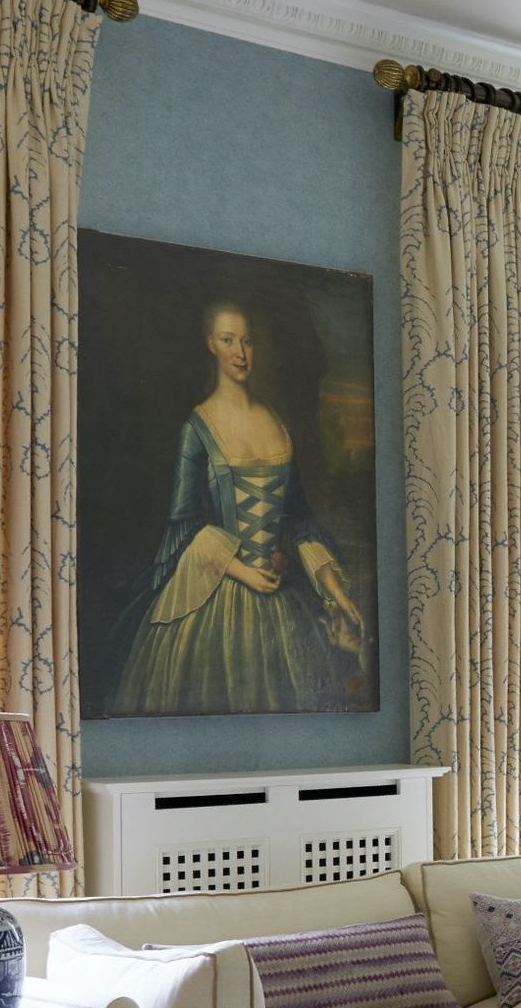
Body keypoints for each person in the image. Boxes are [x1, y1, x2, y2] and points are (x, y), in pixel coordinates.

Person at [110, 301, 366, 716]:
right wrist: (243, 570)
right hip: (217, 590)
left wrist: (338, 594)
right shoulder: (198, 428)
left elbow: (300, 522)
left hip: (279, 601)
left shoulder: (278, 426)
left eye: (247, 341)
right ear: (212, 345)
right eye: (228, 340)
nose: (240, 353)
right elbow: (186, 525)